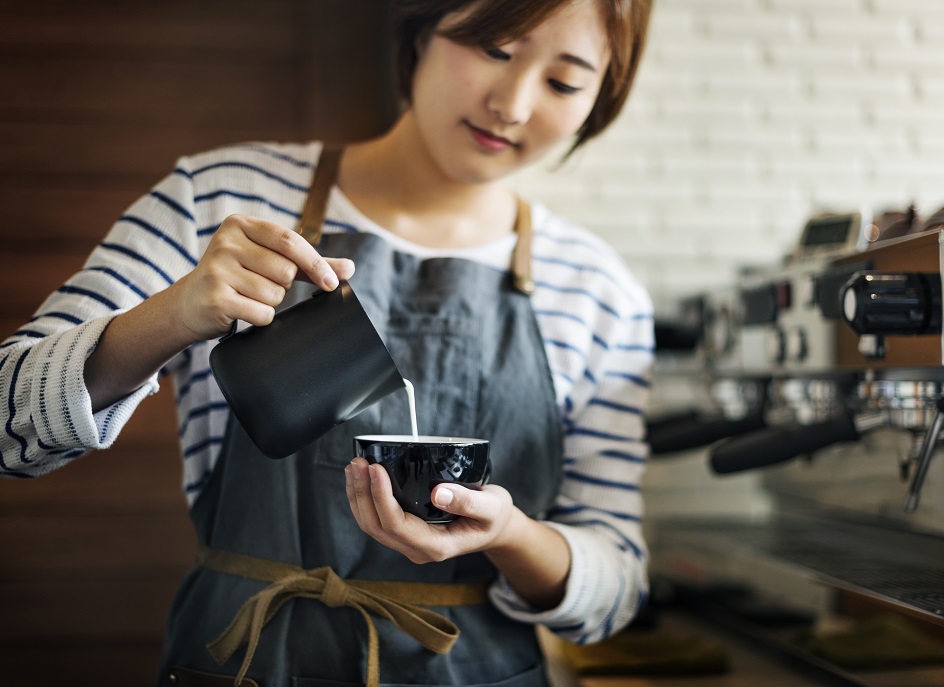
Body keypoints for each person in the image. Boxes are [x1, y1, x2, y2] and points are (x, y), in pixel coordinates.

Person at [0, 0, 655, 684]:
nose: (513, 104)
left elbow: (617, 588)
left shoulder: (597, 292)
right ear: (422, 26)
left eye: (564, 82)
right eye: (494, 48)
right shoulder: (220, 197)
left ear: (601, 98)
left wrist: (512, 536)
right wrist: (174, 314)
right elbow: (5, 424)